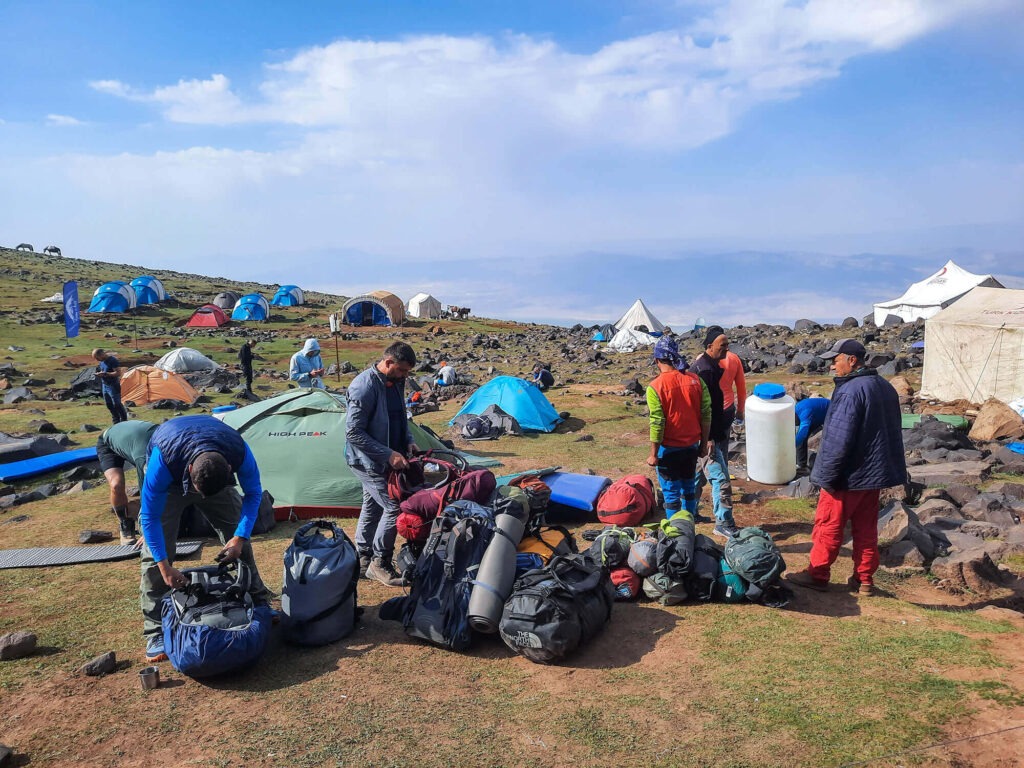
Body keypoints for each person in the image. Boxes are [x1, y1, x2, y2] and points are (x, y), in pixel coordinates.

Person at [137, 415, 272, 662]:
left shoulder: (239, 451)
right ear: (190, 471)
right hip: (172, 482)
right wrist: (165, 567)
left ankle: (259, 601)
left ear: (230, 470)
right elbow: (149, 518)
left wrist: (239, 537)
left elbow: (253, 494)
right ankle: (155, 629)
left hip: (212, 470)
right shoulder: (162, 463)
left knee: (239, 541)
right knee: (155, 554)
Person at [788, 339, 906, 596]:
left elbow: (838, 438)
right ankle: (864, 579)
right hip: (873, 474)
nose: (832, 366)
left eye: (835, 360)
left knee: (829, 524)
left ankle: (817, 574)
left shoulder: (851, 391)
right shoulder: (885, 387)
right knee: (866, 528)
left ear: (852, 360)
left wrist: (825, 475)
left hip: (847, 475)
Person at [346, 342, 419, 586]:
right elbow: (353, 433)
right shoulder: (364, 386)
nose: (404, 376)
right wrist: (387, 454)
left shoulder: (396, 383)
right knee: (393, 506)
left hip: (386, 457)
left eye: (407, 372)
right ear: (388, 363)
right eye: (401, 370)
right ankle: (380, 562)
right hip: (366, 460)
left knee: (372, 505)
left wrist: (408, 441)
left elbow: (401, 416)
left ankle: (363, 558)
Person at [645, 337, 710, 520]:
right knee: (689, 489)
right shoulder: (696, 381)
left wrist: (653, 454)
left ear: (657, 360)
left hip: (668, 450)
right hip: (691, 447)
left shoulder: (655, 387)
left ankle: (676, 536)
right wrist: (703, 444)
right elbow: (706, 414)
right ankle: (689, 527)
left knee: (671, 494)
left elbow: (657, 422)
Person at [690, 326, 740, 538]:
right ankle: (723, 522)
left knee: (698, 475)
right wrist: (708, 438)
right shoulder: (706, 371)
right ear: (710, 347)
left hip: (708, 434)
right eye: (723, 346)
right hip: (706, 436)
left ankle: (689, 512)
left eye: (728, 345)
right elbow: (702, 408)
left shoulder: (708, 366)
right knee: (721, 479)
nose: (727, 349)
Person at [96, 420, 157, 545]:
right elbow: (146, 494)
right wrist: (149, 532)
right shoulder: (144, 458)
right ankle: (125, 524)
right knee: (116, 484)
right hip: (108, 441)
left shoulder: (169, 441)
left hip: (133, 438)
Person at [718, 345, 747, 468]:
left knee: (704, 448)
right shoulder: (734, 358)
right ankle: (723, 479)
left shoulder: (704, 358)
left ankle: (699, 481)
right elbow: (741, 388)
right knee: (723, 446)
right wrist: (740, 410)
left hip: (708, 409)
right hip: (727, 407)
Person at [794, 396, 830, 473]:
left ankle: (803, 466)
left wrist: (791, 445)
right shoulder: (796, 410)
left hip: (830, 413)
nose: (796, 424)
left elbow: (802, 433)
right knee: (800, 438)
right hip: (816, 416)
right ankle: (801, 464)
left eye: (796, 423)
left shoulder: (805, 414)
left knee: (802, 437)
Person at [92, 348, 128, 424]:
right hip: (105, 385)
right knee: (109, 404)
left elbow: (118, 373)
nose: (97, 360)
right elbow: (104, 370)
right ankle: (116, 421)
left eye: (97, 358)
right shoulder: (102, 362)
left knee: (117, 404)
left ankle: (124, 420)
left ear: (101, 354)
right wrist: (101, 374)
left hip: (113, 385)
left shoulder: (113, 360)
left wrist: (106, 374)